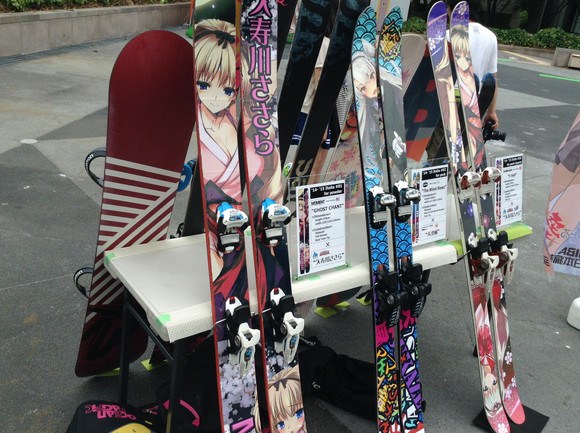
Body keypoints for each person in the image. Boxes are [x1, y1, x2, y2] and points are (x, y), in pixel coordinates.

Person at [448, 0, 500, 130]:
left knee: (443, 140)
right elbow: (492, 79)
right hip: (475, 102)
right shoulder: (491, 37)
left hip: (450, 101)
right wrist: (491, 111)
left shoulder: (449, 35)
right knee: (466, 139)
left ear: (454, 9)